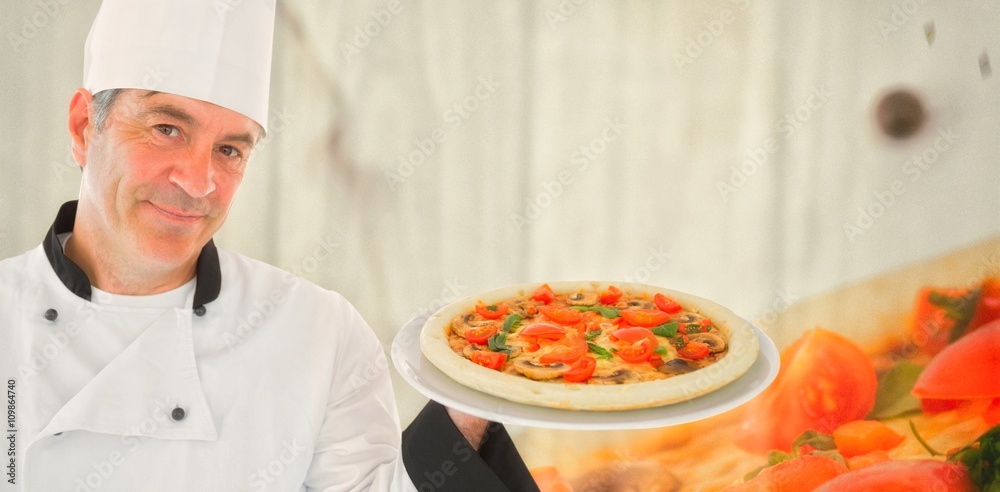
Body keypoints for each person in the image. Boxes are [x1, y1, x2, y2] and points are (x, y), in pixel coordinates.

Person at [0, 0, 538, 490]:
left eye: (230, 149)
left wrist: (477, 384)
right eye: (167, 128)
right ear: (81, 127)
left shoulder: (319, 333)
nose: (197, 181)